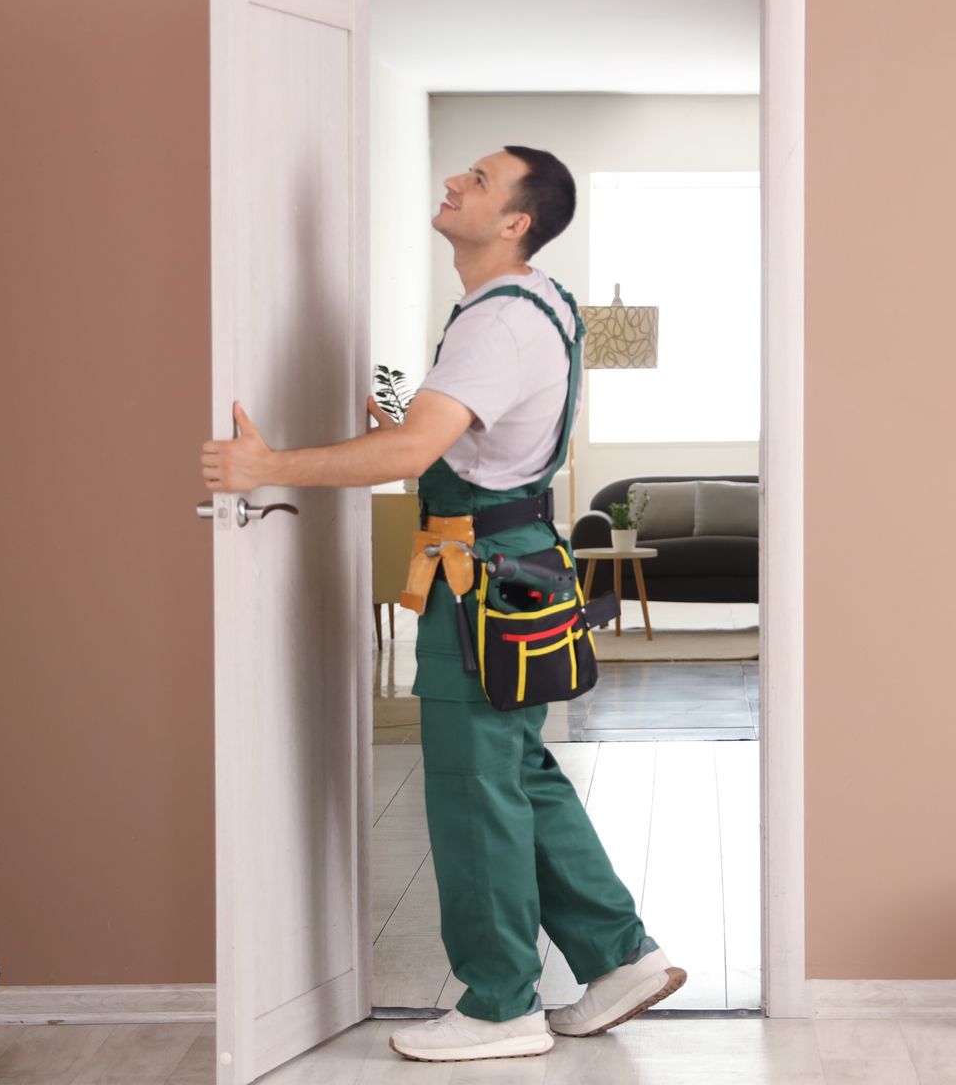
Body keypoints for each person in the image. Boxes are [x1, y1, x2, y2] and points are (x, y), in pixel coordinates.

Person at [199, 146, 685, 1064]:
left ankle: (501, 1004)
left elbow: (411, 456)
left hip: (481, 581)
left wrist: (268, 469)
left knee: (475, 791)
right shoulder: (537, 304)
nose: (456, 182)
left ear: (514, 222)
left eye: (481, 181)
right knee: (516, 774)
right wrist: (413, 440)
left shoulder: (496, 322)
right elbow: (461, 449)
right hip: (516, 564)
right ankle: (620, 957)